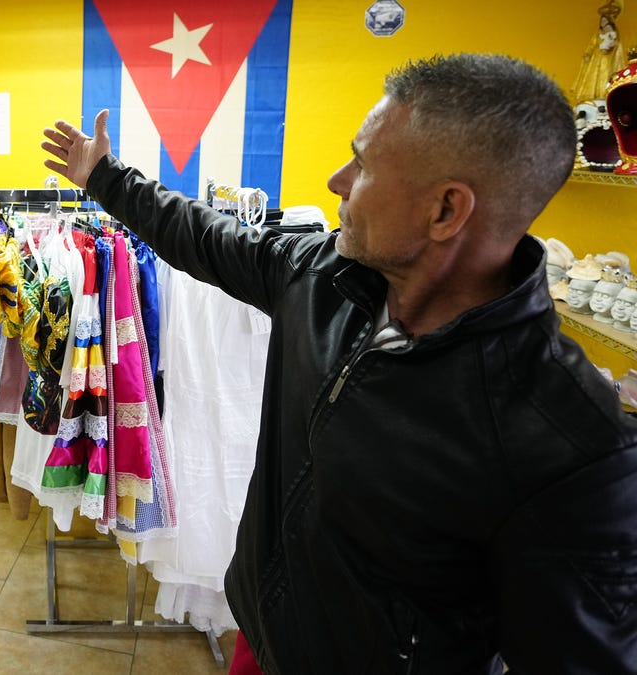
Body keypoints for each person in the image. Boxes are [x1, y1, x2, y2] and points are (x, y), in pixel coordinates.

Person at [41, 53, 637, 674]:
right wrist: (102, 176)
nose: (336, 179)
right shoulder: (321, 277)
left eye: (365, 163)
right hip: (261, 634)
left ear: (445, 211)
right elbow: (203, 235)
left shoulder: (570, 444)